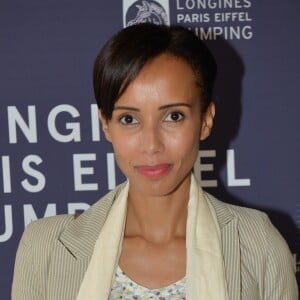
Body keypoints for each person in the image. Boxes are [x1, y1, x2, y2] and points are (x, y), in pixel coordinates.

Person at [12, 23, 298, 300]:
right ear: (105, 125)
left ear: (206, 119)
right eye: (129, 119)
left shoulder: (257, 243)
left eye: (173, 116)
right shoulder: (44, 248)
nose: (151, 145)